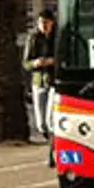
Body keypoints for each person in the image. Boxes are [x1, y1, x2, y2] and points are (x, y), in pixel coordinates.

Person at [25, 9, 57, 150]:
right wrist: (35, 63)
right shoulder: (33, 38)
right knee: (41, 123)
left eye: (46, 23)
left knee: (50, 120)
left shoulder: (57, 37)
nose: (43, 26)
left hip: (53, 81)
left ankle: (53, 147)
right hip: (38, 82)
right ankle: (49, 139)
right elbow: (26, 63)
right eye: (41, 23)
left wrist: (53, 61)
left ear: (52, 23)